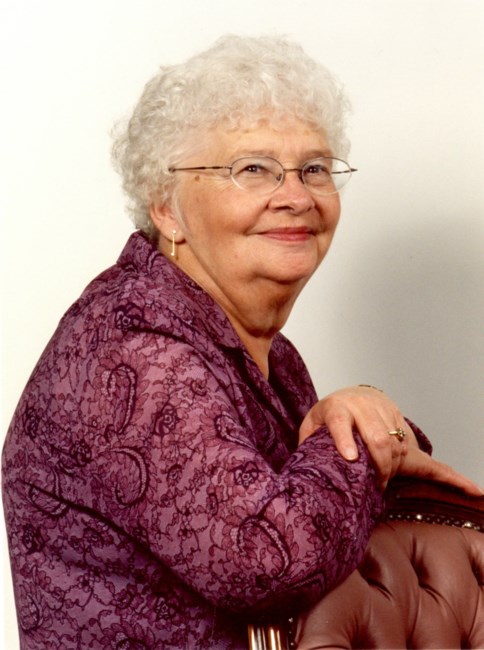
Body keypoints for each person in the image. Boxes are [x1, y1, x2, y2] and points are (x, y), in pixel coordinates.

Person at [2, 35, 481, 650]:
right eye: (253, 169)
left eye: (315, 169)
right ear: (166, 207)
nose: (297, 197)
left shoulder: (263, 351)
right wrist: (366, 429)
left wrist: (365, 423)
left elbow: (339, 496)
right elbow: (269, 562)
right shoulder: (132, 350)